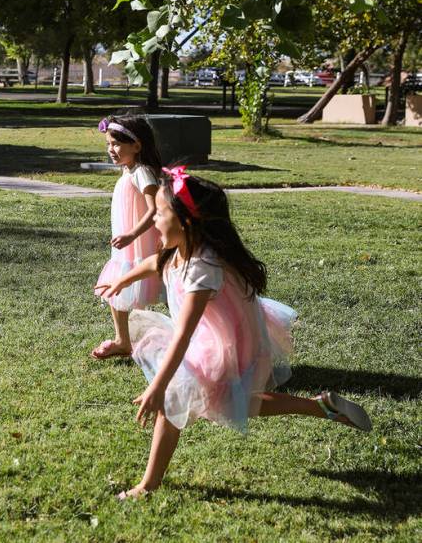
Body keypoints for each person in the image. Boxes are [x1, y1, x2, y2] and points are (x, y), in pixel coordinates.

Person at [95, 168, 372, 498]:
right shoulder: (180, 249)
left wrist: (158, 385)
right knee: (227, 405)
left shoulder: (202, 269)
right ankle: (322, 406)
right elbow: (156, 263)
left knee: (174, 403)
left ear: (185, 221)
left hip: (222, 343)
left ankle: (146, 485)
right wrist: (123, 280)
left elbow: (183, 335)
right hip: (213, 337)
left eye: (160, 213)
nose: (153, 220)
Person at [91, 115, 165, 360]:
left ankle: (189, 334)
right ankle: (123, 340)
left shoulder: (142, 172)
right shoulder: (128, 169)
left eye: (116, 144)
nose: (111, 149)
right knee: (117, 289)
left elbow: (154, 209)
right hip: (126, 248)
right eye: (108, 144)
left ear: (137, 145)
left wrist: (132, 234)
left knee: (162, 289)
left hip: (141, 244)